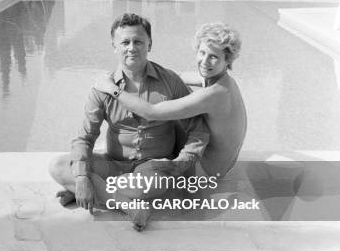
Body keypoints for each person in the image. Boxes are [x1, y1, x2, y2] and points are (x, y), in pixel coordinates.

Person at [49, 13, 210, 231]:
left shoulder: (170, 82)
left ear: (149, 44)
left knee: (155, 184)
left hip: (151, 169)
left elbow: (198, 129)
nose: (131, 48)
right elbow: (85, 137)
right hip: (113, 164)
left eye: (138, 41)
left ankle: (96, 192)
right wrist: (81, 179)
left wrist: (180, 163)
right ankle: (126, 205)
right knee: (58, 166)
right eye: (125, 42)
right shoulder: (102, 87)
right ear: (114, 46)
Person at [94, 22, 247, 179]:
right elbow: (177, 77)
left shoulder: (214, 94)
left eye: (213, 57)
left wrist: (113, 89)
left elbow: (150, 112)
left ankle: (134, 158)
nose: (204, 61)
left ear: (228, 60)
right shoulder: (221, 80)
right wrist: (153, 74)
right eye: (202, 53)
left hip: (206, 170)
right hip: (223, 163)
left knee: (169, 105)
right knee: (174, 90)